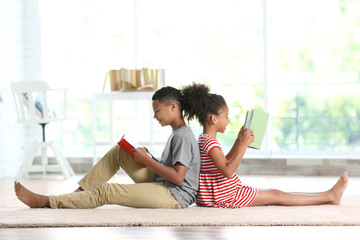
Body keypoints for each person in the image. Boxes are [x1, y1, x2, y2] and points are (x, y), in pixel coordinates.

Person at [14, 86, 201, 209]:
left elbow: (178, 177)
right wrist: (150, 157)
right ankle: (79, 195)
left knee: (107, 191)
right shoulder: (178, 133)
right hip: (164, 183)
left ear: (174, 107)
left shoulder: (182, 136)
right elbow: (173, 169)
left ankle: (47, 201)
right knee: (120, 151)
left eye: (157, 111)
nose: (155, 116)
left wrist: (148, 161)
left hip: (174, 196)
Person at [181, 83, 348, 208]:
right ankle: (329, 197)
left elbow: (221, 162)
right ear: (214, 119)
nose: (228, 120)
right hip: (224, 196)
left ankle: (327, 195)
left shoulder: (204, 139)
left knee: (273, 192)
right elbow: (228, 170)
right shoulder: (210, 143)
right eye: (226, 116)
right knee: (277, 195)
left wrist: (238, 141)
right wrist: (243, 146)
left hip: (217, 193)